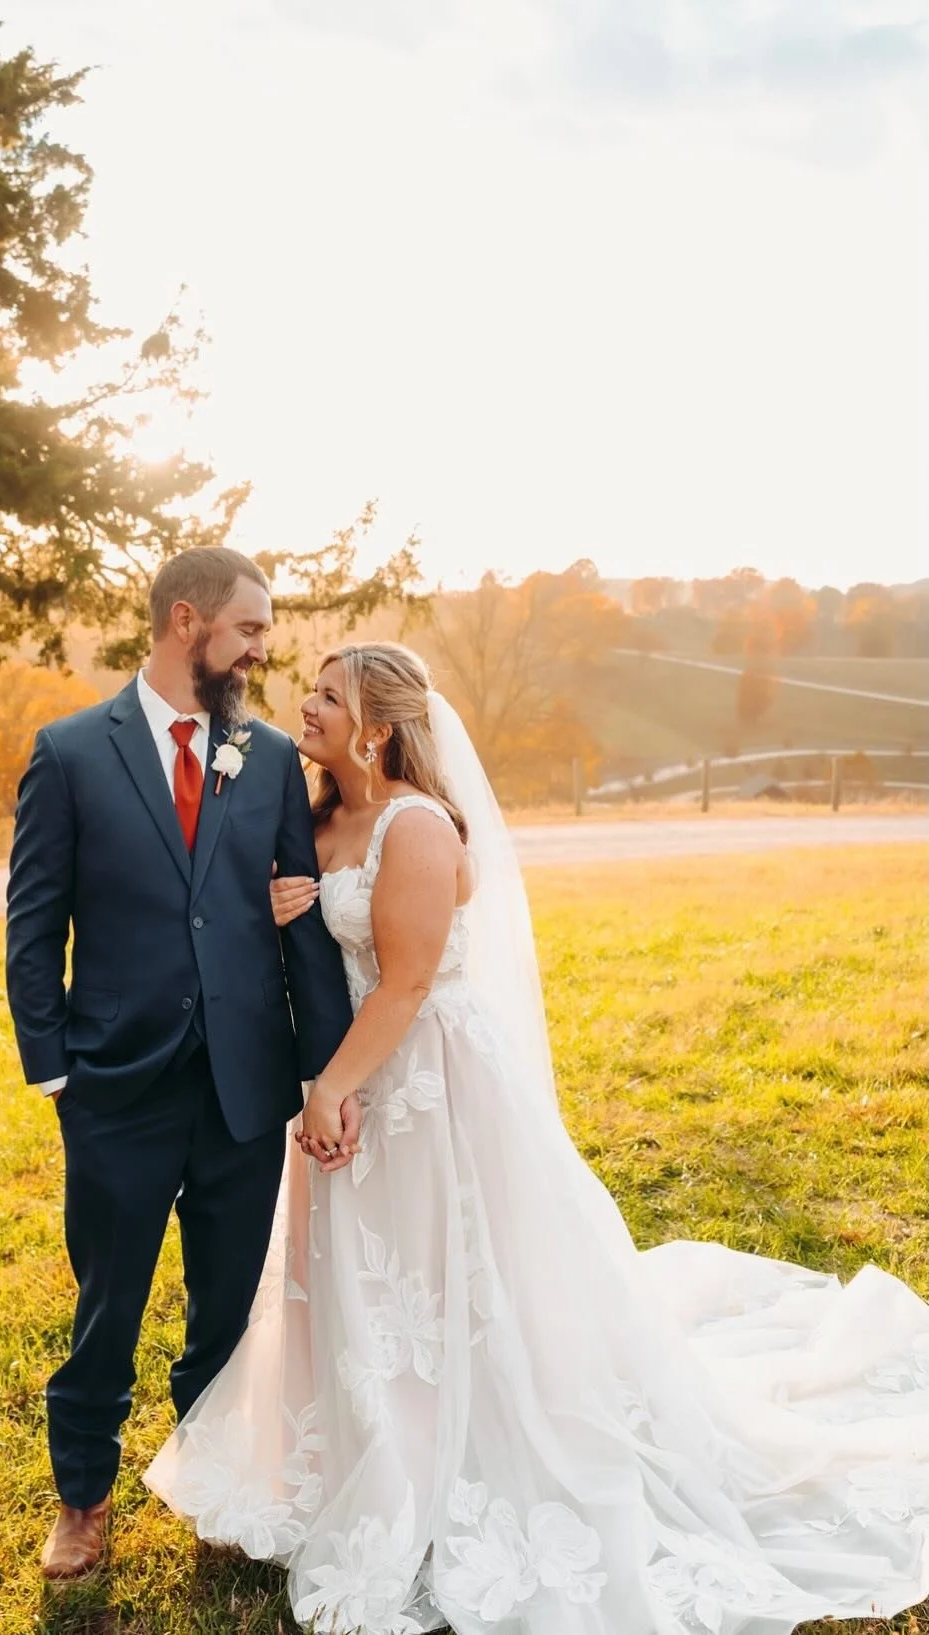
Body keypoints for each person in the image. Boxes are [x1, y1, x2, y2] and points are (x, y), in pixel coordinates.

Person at [146, 640, 929, 1635]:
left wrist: (331, 1092)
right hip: (351, 1077)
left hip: (425, 1079)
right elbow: (285, 939)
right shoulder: (312, 816)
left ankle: (458, 1457)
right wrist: (269, 920)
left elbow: (408, 984)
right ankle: (356, 1454)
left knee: (455, 1284)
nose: (306, 706)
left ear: (378, 726)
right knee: (363, 1281)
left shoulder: (418, 828)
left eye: (328, 696)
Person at [5, 547, 353, 1579]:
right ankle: (83, 1500)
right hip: (115, 1086)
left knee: (225, 1313)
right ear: (186, 620)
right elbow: (34, 928)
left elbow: (303, 930)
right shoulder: (70, 753)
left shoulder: (274, 758)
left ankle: (213, 1491)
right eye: (250, 630)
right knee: (106, 1310)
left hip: (247, 1085)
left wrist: (322, 1075)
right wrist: (54, 1070)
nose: (262, 649)